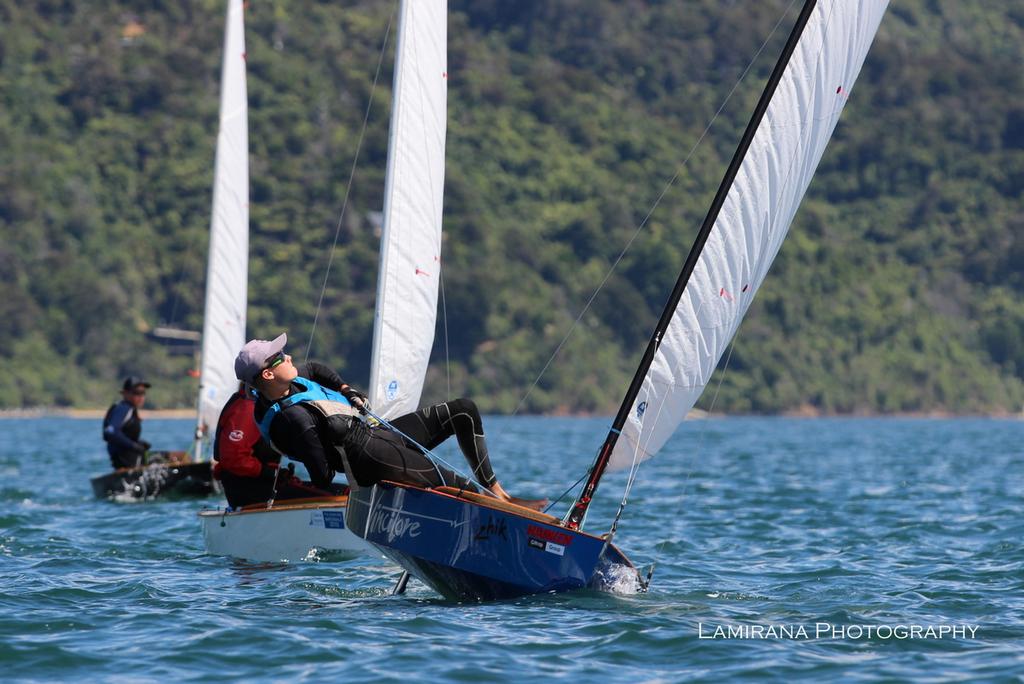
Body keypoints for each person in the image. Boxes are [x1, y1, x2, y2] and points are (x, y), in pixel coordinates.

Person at [234, 333, 544, 509]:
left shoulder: (289, 382)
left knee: (463, 410)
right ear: (267, 374)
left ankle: (500, 492)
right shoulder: (294, 419)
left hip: (376, 434)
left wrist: (345, 390)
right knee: (456, 484)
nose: (289, 357)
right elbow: (322, 476)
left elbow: (316, 369)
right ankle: (513, 515)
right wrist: (336, 440)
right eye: (281, 357)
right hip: (370, 459)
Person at [212, 384, 346, 508]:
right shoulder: (248, 408)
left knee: (344, 490)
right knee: (340, 495)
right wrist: (270, 472)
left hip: (265, 485)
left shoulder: (262, 405)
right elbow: (233, 458)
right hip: (252, 491)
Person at [102, 376, 152, 469]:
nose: (141, 397)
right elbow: (110, 432)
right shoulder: (124, 408)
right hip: (125, 462)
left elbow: (123, 434)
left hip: (129, 461)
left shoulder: (129, 409)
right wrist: (134, 446)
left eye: (143, 393)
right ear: (126, 393)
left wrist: (139, 443)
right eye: (137, 393)